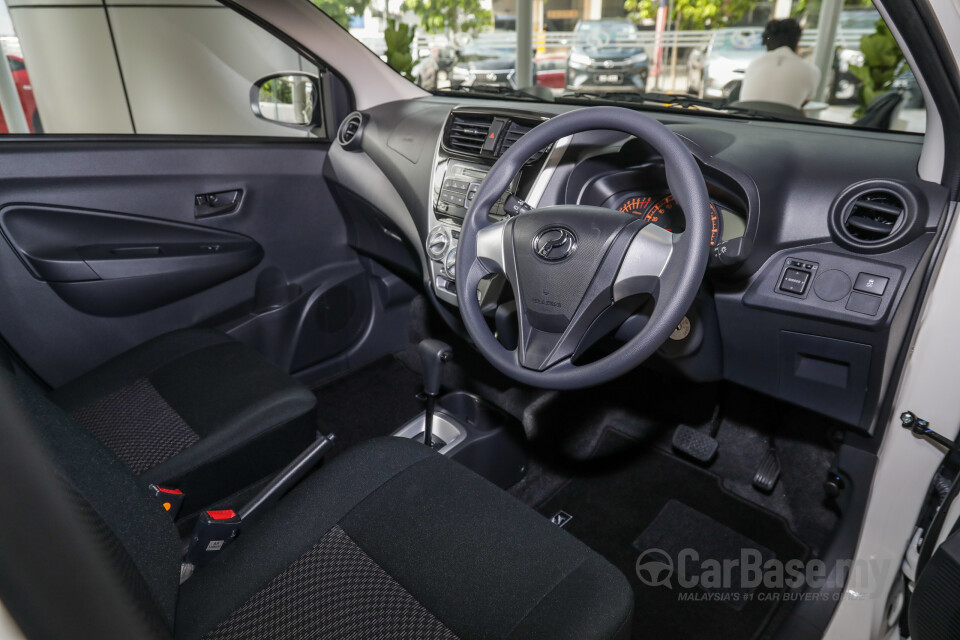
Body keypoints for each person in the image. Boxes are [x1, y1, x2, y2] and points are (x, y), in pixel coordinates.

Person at [739, 19, 821, 110]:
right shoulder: (811, 70)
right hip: (782, 122)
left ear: (766, 44)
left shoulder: (754, 63)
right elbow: (803, 103)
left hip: (745, 120)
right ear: (797, 42)